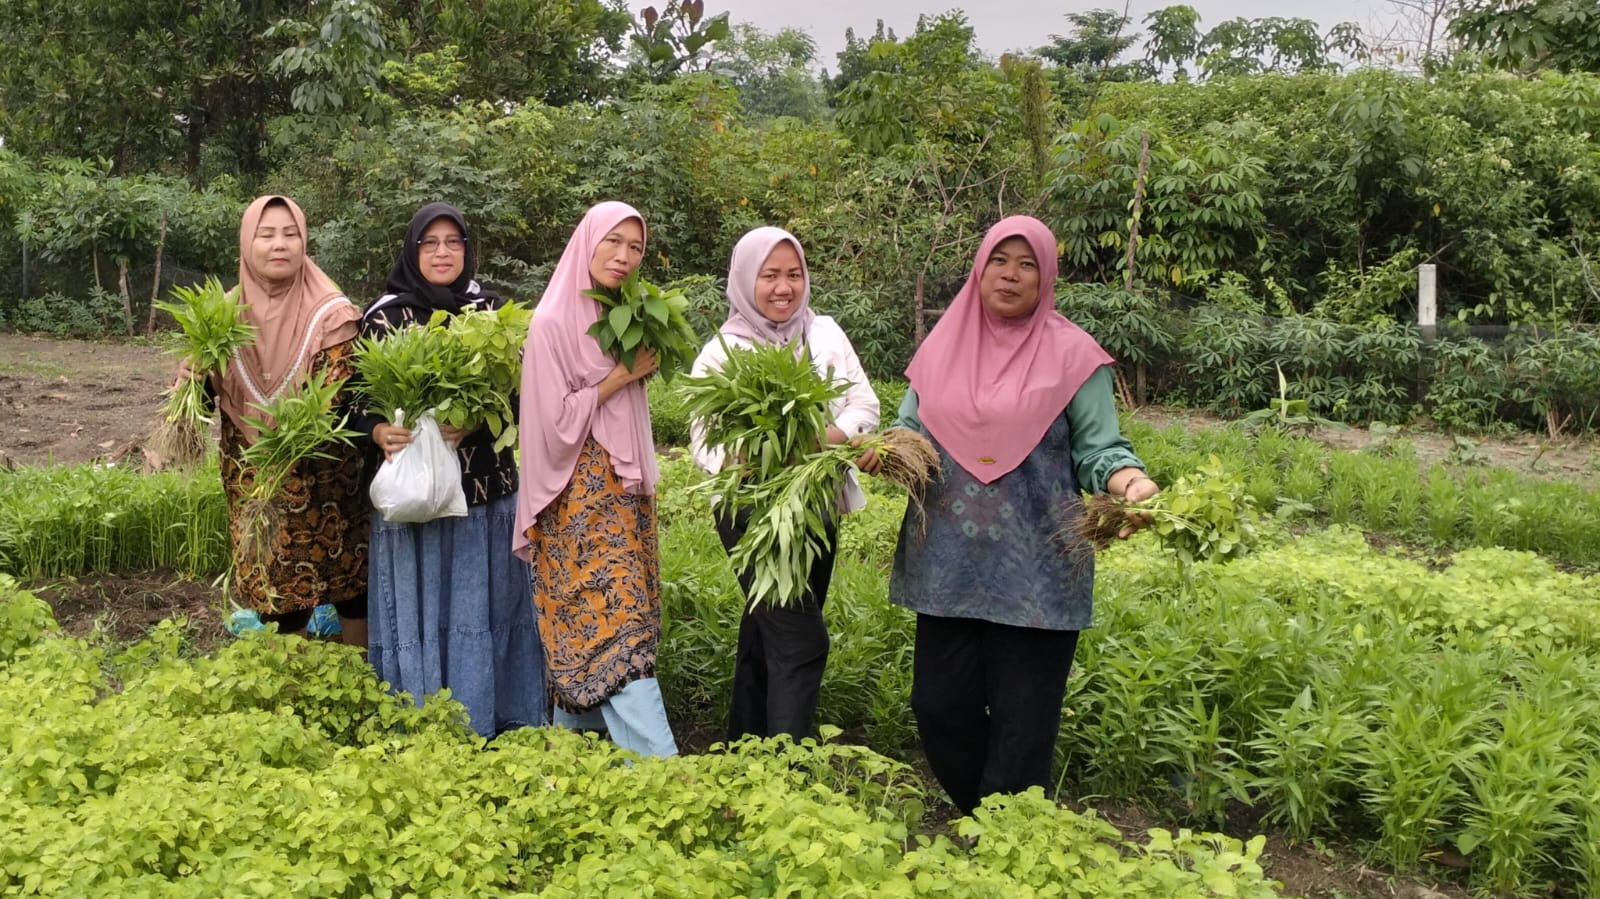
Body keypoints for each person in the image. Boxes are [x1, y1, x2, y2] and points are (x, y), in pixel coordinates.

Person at [860, 215, 1159, 815]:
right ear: (980, 267)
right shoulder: (941, 346)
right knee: (938, 704)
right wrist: (884, 454)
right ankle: (981, 811)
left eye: (1027, 264)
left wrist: (1129, 481)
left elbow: (1100, 448)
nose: (1011, 275)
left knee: (1026, 715)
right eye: (1000, 260)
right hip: (946, 561)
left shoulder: (1076, 358)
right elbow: (910, 434)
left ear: (1045, 275)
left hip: (1039, 567)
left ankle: (1007, 834)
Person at [356, 202, 546, 738]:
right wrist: (378, 431)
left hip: (485, 496)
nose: (443, 253)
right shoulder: (385, 316)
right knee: (426, 609)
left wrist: (476, 422)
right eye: (430, 243)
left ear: (468, 250)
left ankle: (498, 719)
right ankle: (422, 723)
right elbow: (354, 398)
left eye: (454, 242)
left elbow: (521, 392)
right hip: (417, 501)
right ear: (412, 250)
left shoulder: (492, 312)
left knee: (487, 609)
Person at [688, 227, 879, 741]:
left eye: (793, 275)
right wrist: (748, 453)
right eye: (769, 275)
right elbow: (703, 435)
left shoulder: (826, 334)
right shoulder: (724, 350)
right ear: (745, 279)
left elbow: (866, 405)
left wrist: (821, 437)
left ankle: (743, 746)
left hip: (817, 506)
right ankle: (785, 768)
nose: (783, 287)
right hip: (753, 513)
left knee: (766, 629)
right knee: (801, 638)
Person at [514, 201, 677, 757]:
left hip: (620, 499)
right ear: (587, 242)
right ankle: (670, 776)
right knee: (616, 627)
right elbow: (550, 423)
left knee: (592, 631)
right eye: (613, 242)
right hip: (574, 501)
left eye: (636, 247)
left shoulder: (623, 319)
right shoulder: (551, 323)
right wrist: (617, 379)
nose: (624, 257)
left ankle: (572, 768)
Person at [204, 195, 369, 644]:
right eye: (267, 234)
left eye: (290, 234)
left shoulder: (333, 312)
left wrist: (299, 432)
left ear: (304, 242)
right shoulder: (220, 314)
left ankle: (357, 683)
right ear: (246, 242)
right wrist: (191, 377)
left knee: (350, 585)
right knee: (275, 588)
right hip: (255, 481)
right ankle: (290, 690)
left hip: (326, 479)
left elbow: (342, 396)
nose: (280, 244)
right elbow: (203, 403)